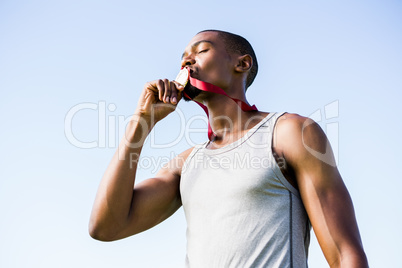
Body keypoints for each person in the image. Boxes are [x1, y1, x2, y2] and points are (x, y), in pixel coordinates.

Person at [89, 30, 368, 267]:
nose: (187, 60)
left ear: (242, 64)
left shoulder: (289, 133)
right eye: (183, 56)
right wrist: (141, 123)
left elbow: (344, 253)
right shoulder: (187, 164)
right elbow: (106, 226)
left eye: (201, 50)